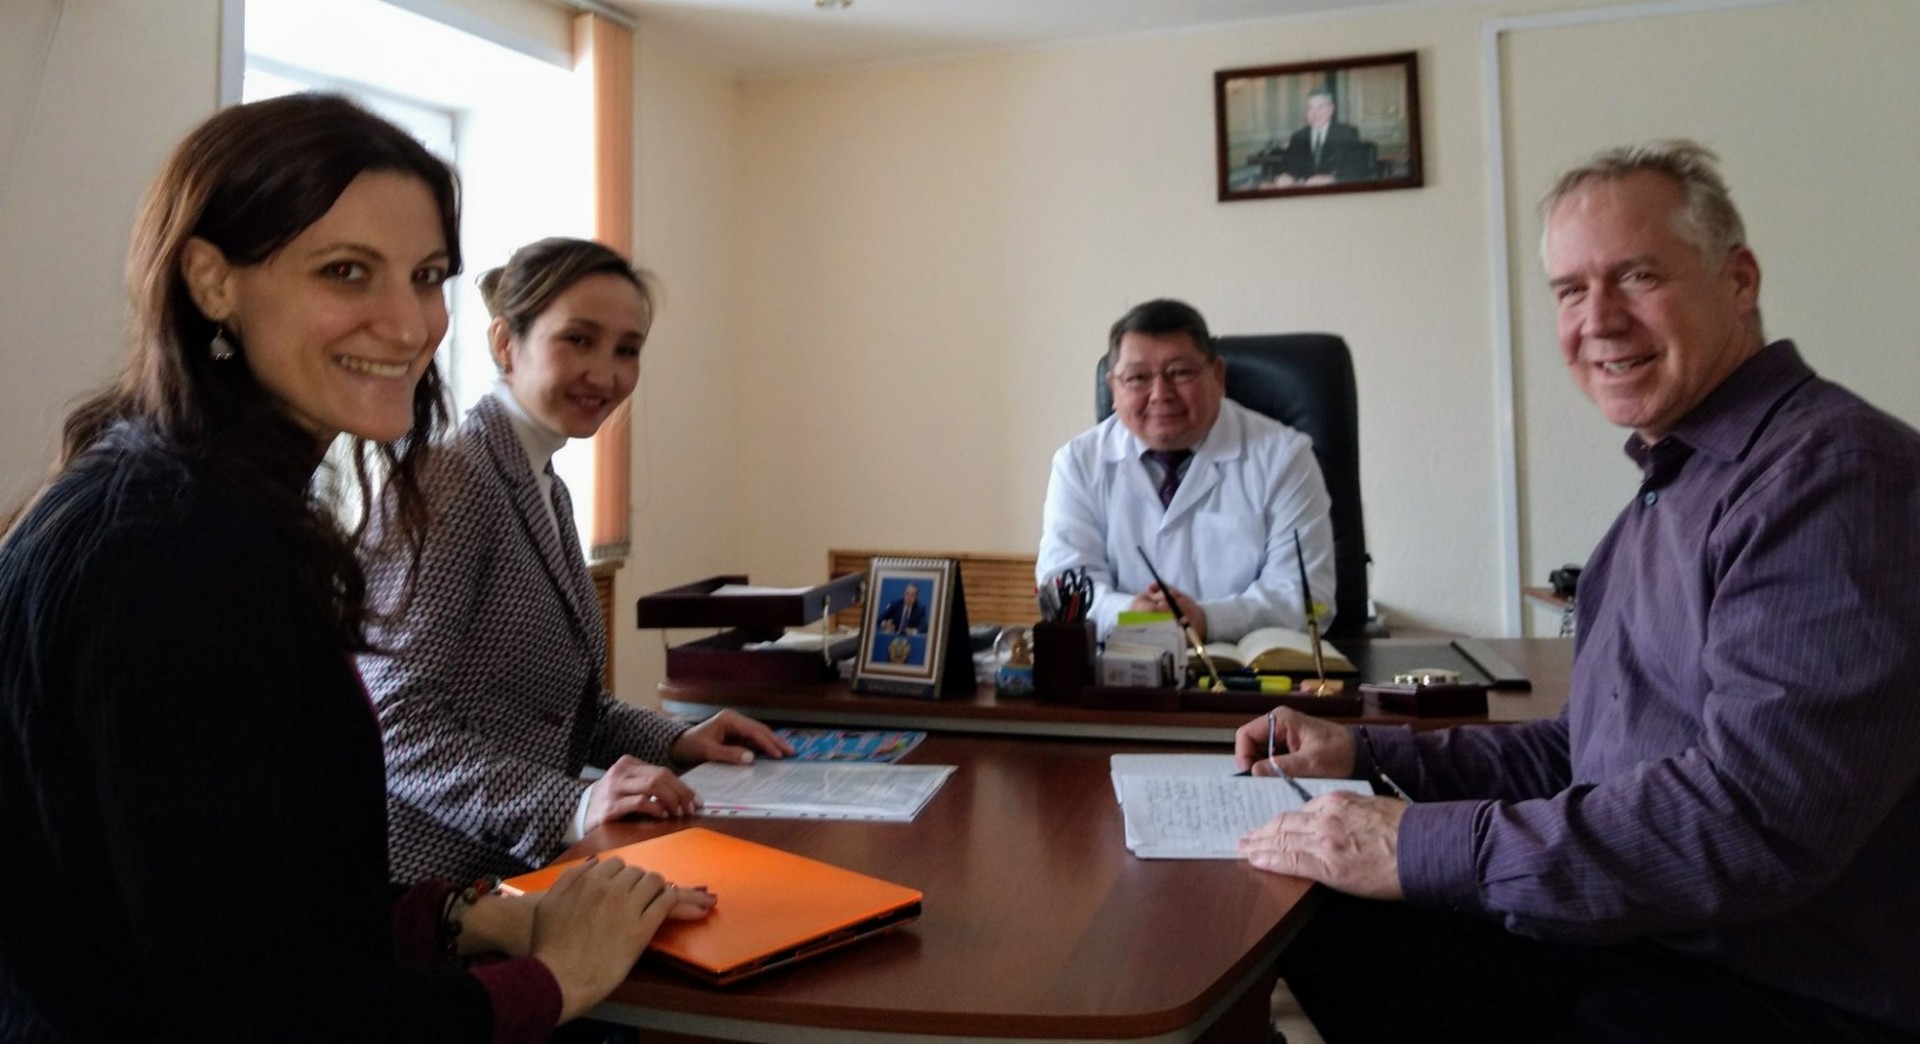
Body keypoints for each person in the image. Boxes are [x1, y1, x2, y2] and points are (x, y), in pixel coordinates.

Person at [0, 94, 709, 1042]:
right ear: (212, 281)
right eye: (346, 272)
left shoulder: (199, 503)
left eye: (426, 276)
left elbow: (222, 898)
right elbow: (245, 1007)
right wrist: (552, 980)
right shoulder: (171, 550)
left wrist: (463, 917)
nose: (410, 323)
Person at [1236, 141, 1920, 1041]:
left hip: (1776, 991)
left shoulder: (1831, 477)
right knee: (1321, 909)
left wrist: (1415, 843)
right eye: (1569, 290)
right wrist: (1360, 758)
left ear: (1740, 280)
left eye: (1636, 276)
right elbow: (1585, 750)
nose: (1598, 320)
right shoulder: (1675, 482)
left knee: (1354, 916)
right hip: (1660, 939)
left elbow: (1753, 820)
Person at [359, 237, 793, 887]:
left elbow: (553, 710)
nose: (606, 374)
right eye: (579, 340)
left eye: (627, 350)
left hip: (511, 874)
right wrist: (577, 804)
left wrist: (678, 739)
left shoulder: (542, 480)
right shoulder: (450, 478)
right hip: (427, 892)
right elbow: (392, 727)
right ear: (506, 344)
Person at [1036, 298, 1335, 643]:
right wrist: (1130, 613)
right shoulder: (1078, 464)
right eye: (1138, 378)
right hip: (1120, 672)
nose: (1160, 394)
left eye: (1179, 373)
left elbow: (1308, 595)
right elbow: (1063, 590)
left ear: (1217, 376)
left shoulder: (1284, 457)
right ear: (1113, 389)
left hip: (1251, 678)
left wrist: (1207, 619)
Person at [1268, 88, 1374, 188]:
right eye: (1310, 108)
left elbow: (1356, 170)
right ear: (1306, 113)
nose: (1315, 113)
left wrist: (1331, 179)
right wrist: (1284, 176)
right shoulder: (1298, 137)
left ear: (1331, 109)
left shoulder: (1346, 134)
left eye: (1321, 107)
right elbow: (1286, 166)